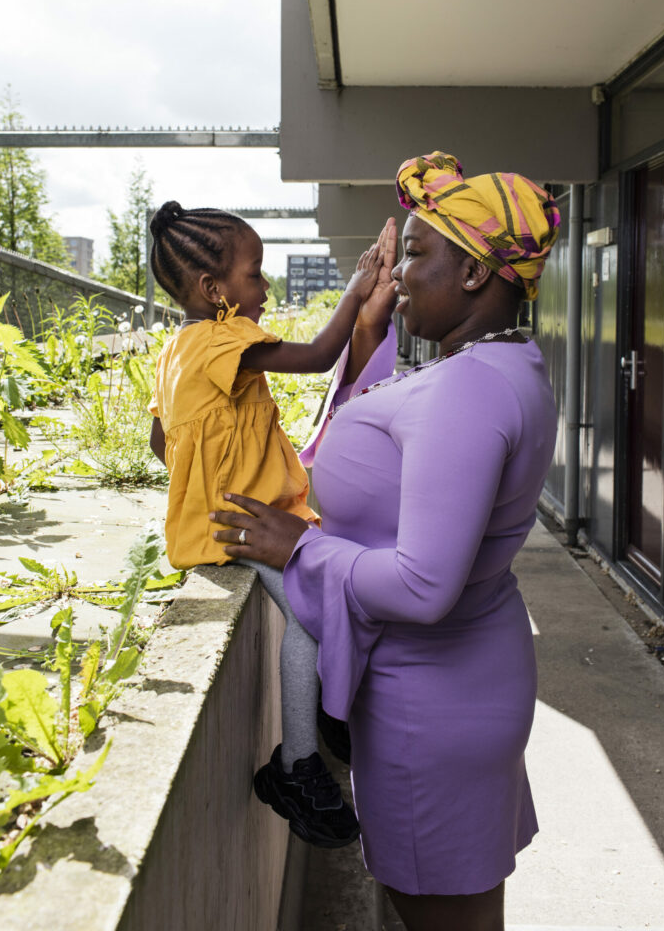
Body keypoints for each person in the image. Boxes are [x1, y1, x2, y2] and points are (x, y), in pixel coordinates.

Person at [209, 153, 560, 931]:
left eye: (415, 254)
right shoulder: (499, 366)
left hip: (429, 705)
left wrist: (298, 548)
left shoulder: (469, 389)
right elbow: (404, 455)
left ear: (473, 273)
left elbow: (423, 586)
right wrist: (366, 327)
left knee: (440, 911)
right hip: (457, 685)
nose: (396, 271)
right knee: (460, 907)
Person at [147, 200, 388, 849]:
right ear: (213, 290)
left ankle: (327, 721)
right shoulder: (227, 339)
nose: (265, 288)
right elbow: (316, 356)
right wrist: (355, 292)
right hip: (240, 527)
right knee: (314, 611)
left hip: (222, 521)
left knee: (329, 588)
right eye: (255, 274)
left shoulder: (177, 349)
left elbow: (158, 441)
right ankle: (296, 766)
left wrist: (207, 476)